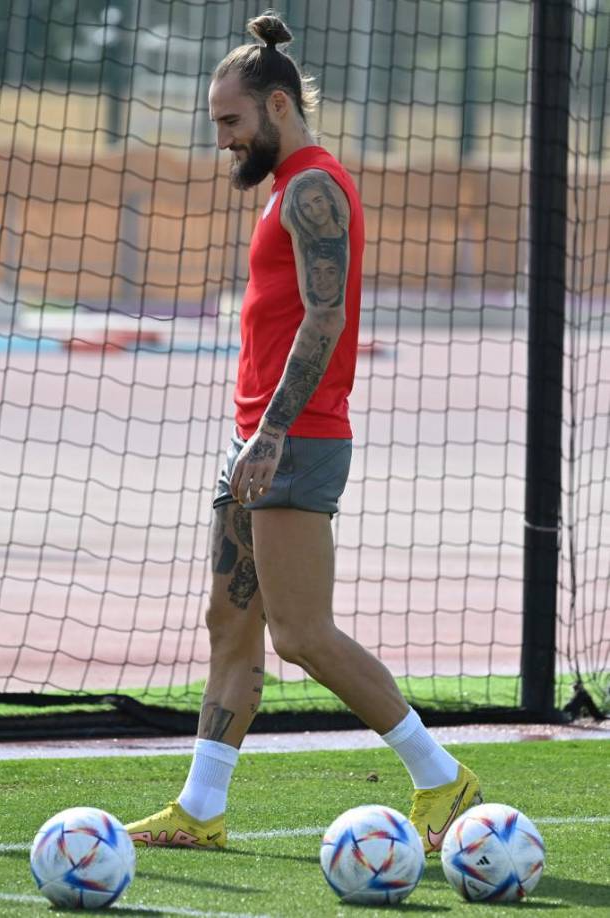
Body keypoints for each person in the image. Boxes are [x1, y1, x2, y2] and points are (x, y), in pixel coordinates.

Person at [125, 11, 481, 856]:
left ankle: (440, 776)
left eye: (231, 121)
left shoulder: (314, 187)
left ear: (277, 106)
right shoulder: (285, 187)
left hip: (294, 439)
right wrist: (255, 433)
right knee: (229, 622)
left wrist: (274, 433)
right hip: (256, 438)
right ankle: (201, 808)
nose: (222, 139)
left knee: (300, 635)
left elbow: (326, 317)